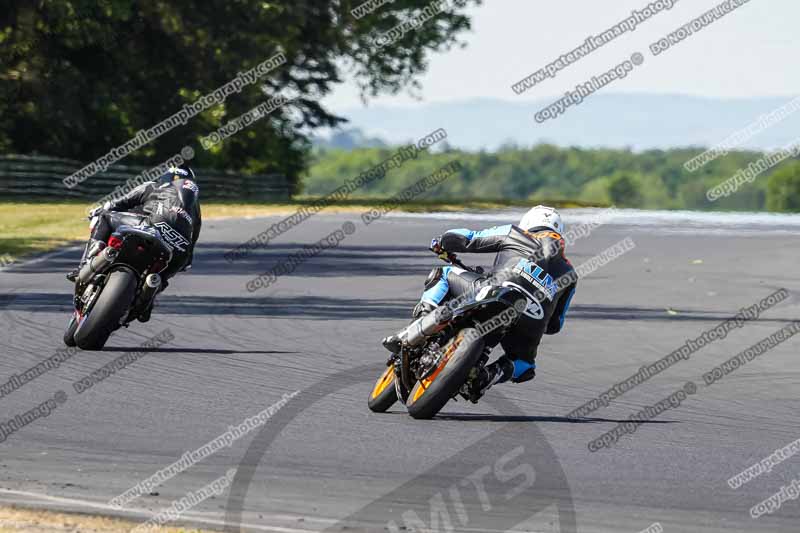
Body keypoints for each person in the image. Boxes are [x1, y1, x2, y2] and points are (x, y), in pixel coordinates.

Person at [384, 205, 576, 402]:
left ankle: (420, 323)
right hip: (530, 323)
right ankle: (491, 374)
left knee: (443, 273)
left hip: (494, 292)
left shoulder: (514, 233)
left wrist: (442, 242)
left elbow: (469, 239)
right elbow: (555, 325)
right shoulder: (570, 274)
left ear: (527, 223)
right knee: (525, 365)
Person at [67, 165, 201, 322]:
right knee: (161, 279)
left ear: (165, 178)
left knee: (106, 217)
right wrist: (184, 262)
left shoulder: (153, 186)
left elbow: (118, 203)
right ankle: (147, 299)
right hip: (179, 249)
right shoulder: (196, 211)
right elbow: (192, 243)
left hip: (149, 227)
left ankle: (85, 264)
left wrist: (99, 210)